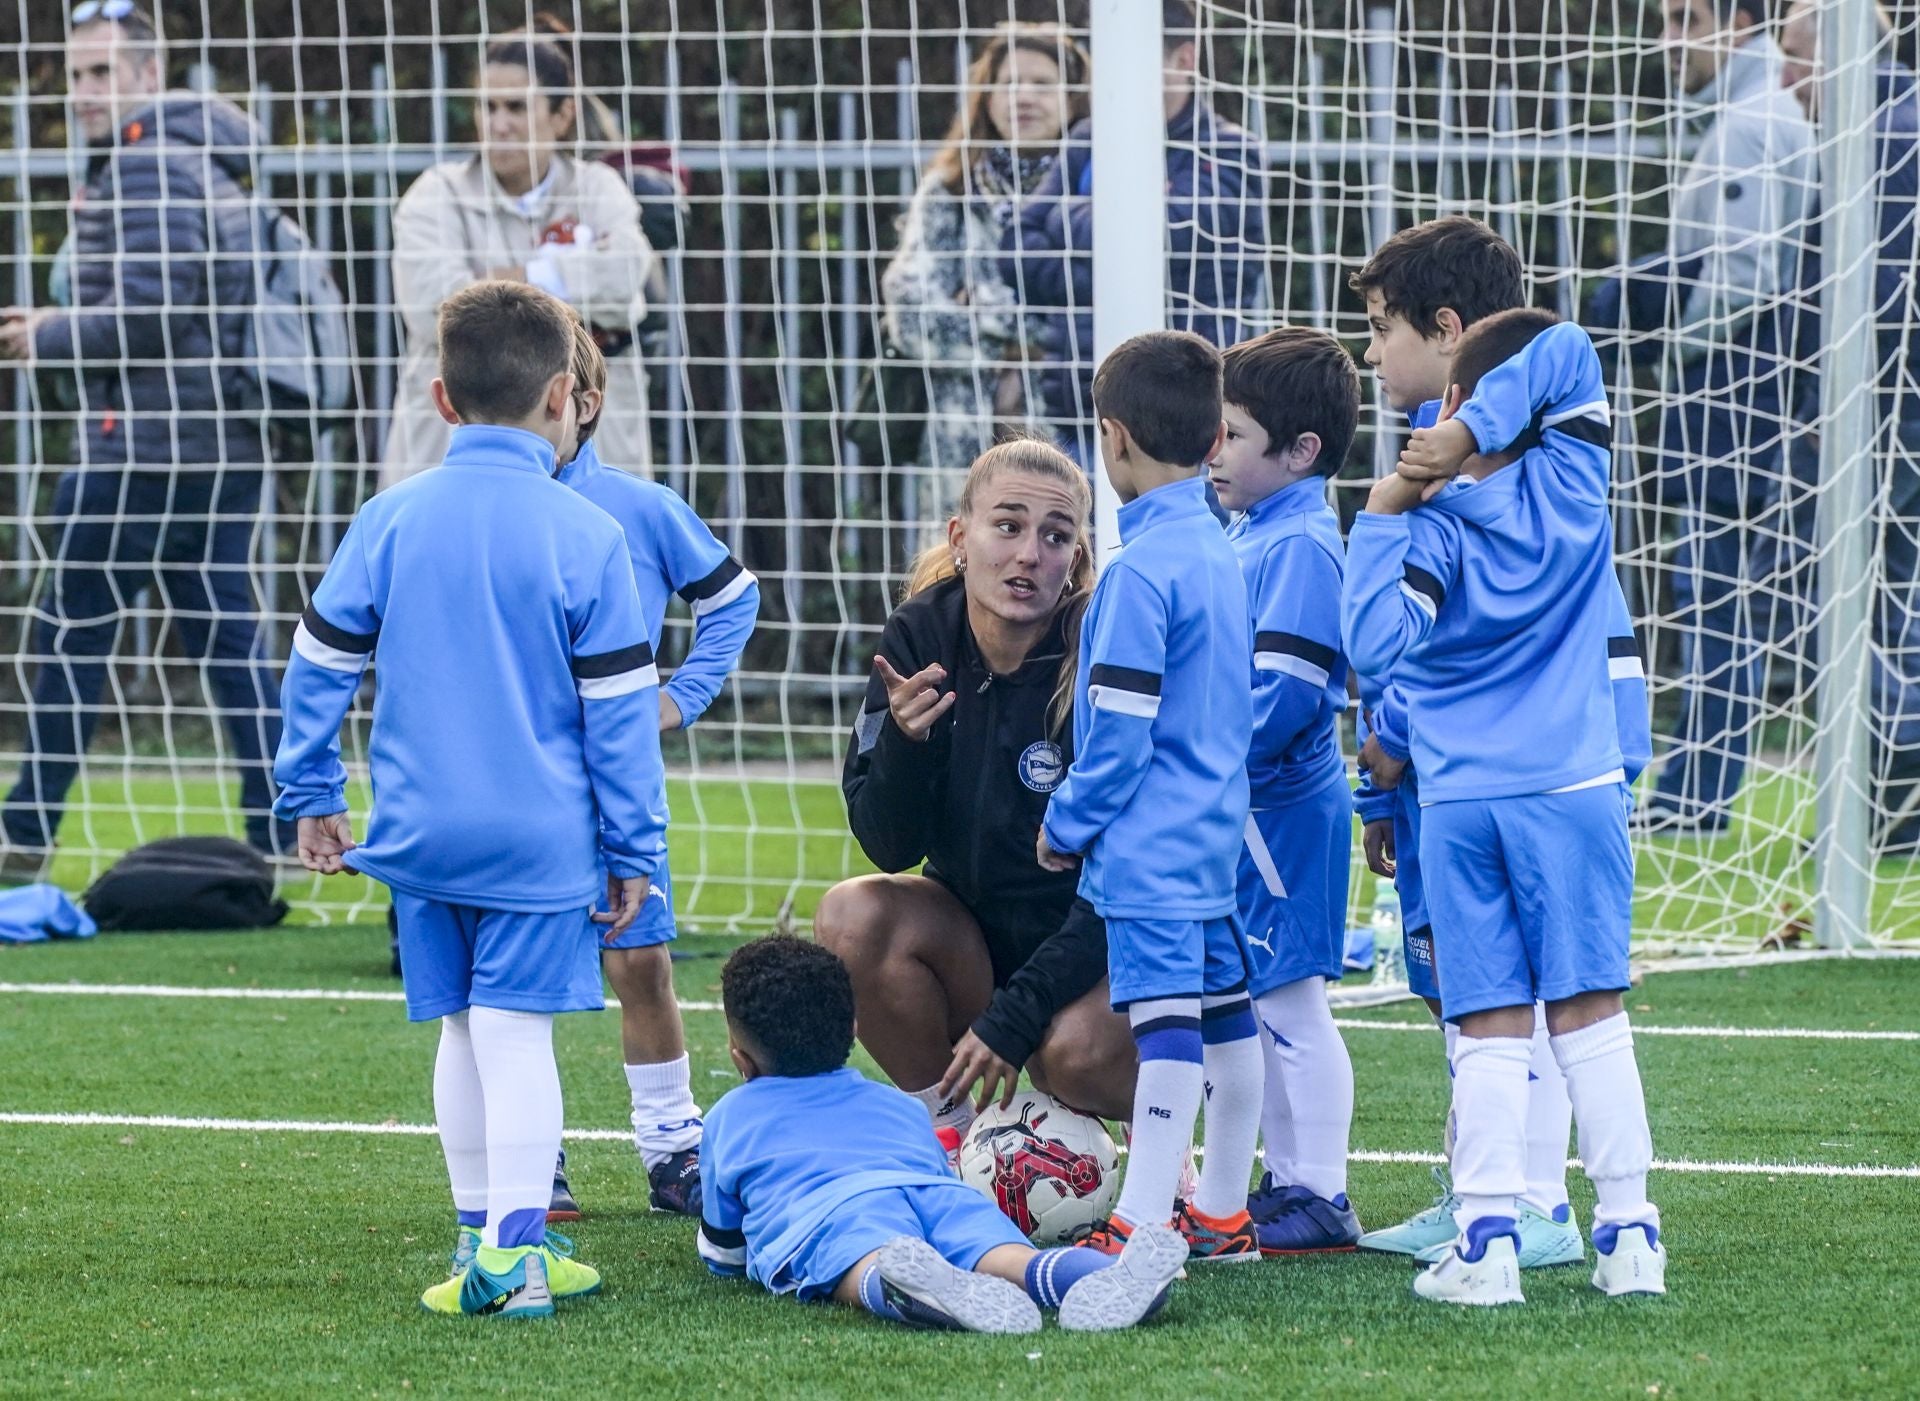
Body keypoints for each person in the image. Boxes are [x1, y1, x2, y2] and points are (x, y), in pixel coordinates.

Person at [274, 281, 670, 1317]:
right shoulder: (584, 534)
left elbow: (317, 667)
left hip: (419, 833)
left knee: (457, 1028)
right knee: (513, 1034)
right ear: (562, 397)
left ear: (443, 402)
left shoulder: (388, 516)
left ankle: (475, 1243)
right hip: (538, 840)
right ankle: (520, 1259)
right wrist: (634, 847)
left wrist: (309, 789)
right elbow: (620, 718)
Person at [1346, 218, 1651, 1270]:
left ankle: (1495, 1238)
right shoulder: (1573, 487)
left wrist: (1395, 497)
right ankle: (1625, 1233)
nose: (1369, 353)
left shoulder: (1434, 517)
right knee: (1589, 1017)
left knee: (1488, 1025)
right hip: (1567, 783)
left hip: (1471, 794)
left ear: (1445, 331)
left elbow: (1376, 644)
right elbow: (1567, 354)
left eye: (1380, 330)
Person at [0, 3, 289, 877]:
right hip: (219, 440)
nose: (84, 92)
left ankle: (23, 831)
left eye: (100, 74)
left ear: (146, 74)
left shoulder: (147, 161)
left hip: (147, 446)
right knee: (225, 639)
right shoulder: (195, 154)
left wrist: (44, 331)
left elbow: (151, 315)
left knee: (68, 632)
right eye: (75, 74)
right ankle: (281, 829)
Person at [817, 438, 1136, 1137]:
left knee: (1070, 1058)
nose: (1028, 553)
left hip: (1100, 941)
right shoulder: (917, 637)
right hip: (973, 937)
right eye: (1008, 525)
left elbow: (1127, 879)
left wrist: (1016, 1017)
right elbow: (887, 847)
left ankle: (1159, 1149)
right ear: (962, 538)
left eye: (1055, 536)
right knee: (852, 916)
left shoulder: (1102, 649)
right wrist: (908, 742)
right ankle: (959, 1136)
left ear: (1075, 560)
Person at [1038, 330, 1262, 1263]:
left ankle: (1142, 1223)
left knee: (1167, 1029)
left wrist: (1067, 821)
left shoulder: (1136, 573)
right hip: (1215, 835)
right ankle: (1222, 1211)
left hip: (1153, 846)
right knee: (1228, 1019)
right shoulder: (1220, 549)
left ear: (1111, 436)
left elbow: (1122, 735)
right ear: (1218, 441)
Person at [695, 935, 1187, 1334]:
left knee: (866, 1258)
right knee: (1003, 1254)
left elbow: (725, 1250)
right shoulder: (896, 1104)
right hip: (939, 1195)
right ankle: (1101, 1275)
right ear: (852, 1030)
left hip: (830, 1210)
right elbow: (933, 1168)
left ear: (741, 1057)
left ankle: (908, 1288)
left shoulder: (730, 1117)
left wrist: (725, 1256)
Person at [1591, 0, 1814, 830]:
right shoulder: (1756, 112)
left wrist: (1658, 337)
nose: (1668, 40)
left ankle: (1699, 797)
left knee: (1719, 595)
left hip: (1738, 397)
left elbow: (1748, 274)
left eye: (1687, 21)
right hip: (1755, 393)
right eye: (1663, 21)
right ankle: (1695, 789)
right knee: (1726, 596)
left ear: (1742, 25)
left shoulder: (1754, 120)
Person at [556, 322, 760, 1214]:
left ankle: (673, 1147)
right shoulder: (468, 510)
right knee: (517, 980)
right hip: (511, 784)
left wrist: (682, 693)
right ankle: (532, 1160)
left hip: (615, 788)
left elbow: (733, 595)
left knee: (640, 965)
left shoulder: (639, 506)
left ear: (582, 404)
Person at [1207, 328, 1363, 1254]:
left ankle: (1320, 1190)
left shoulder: (1301, 542)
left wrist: (1201, 761)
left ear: (1299, 451)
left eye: (1231, 433)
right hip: (1250, 805)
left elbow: (1289, 694)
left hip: (1280, 807)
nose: (1213, 449)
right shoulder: (1257, 532)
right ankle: (1286, 1178)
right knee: (1258, 996)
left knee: (1290, 1000)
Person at [384, 24, 654, 485]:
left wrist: (506, 281)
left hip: (590, 460)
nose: (498, 123)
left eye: (515, 107)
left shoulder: (598, 188)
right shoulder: (436, 194)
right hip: (453, 466)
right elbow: (433, 306)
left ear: (562, 114)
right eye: (486, 106)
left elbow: (626, 276)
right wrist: (573, 293)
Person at [1000, 0, 1268, 464]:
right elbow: (1016, 248)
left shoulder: (1228, 151)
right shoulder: (1087, 138)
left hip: (1192, 427)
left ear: (1182, 60)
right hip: (1084, 415)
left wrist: (1070, 217)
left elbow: (1173, 245)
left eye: (1132, 57)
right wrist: (1104, 275)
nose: (1114, 76)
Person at [1775, 1, 1920, 852]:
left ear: (1843, 52)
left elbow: (1879, 295)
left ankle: (1890, 807)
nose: (1787, 79)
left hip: (1886, 415)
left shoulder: (1889, 134)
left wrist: (1836, 410)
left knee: (1879, 600)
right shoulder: (1890, 121)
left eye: (1794, 57)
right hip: (1884, 410)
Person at [880, 23, 1090, 522]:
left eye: (1043, 83)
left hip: (1070, 426)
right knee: (957, 577)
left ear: (1074, 96)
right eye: (1010, 82)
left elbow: (1093, 317)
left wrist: (981, 306)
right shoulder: (948, 191)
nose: (1025, 96)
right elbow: (910, 316)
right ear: (986, 96)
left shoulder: (1092, 191)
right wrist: (1022, 337)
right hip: (961, 435)